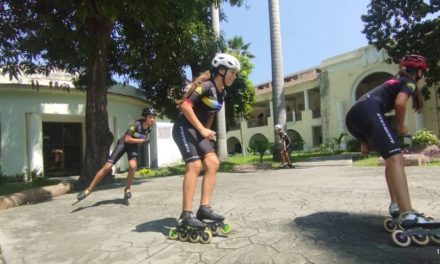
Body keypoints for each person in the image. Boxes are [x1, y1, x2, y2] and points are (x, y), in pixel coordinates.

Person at [345, 54, 430, 228]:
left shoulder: (396, 81)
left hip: (355, 115)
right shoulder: (409, 83)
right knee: (397, 158)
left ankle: (396, 206)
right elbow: (400, 104)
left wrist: (364, 139)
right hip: (367, 111)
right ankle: (408, 214)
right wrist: (400, 126)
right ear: (419, 72)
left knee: (391, 160)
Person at [172, 53, 240, 230]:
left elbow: (210, 115)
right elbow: (184, 106)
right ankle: (186, 215)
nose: (234, 76)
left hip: (197, 131)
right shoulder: (206, 86)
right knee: (194, 166)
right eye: (232, 72)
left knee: (212, 163)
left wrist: (206, 132)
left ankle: (204, 208)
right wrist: (201, 129)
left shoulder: (222, 93)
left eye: (235, 73)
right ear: (222, 70)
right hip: (183, 127)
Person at [74, 107, 157, 204]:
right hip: (123, 144)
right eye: (150, 117)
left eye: (153, 117)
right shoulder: (135, 125)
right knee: (107, 167)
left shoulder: (150, 128)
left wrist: (142, 140)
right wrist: (141, 140)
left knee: (133, 167)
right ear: (145, 117)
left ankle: (127, 189)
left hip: (132, 147)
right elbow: (127, 138)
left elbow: (143, 139)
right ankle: (88, 190)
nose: (152, 119)